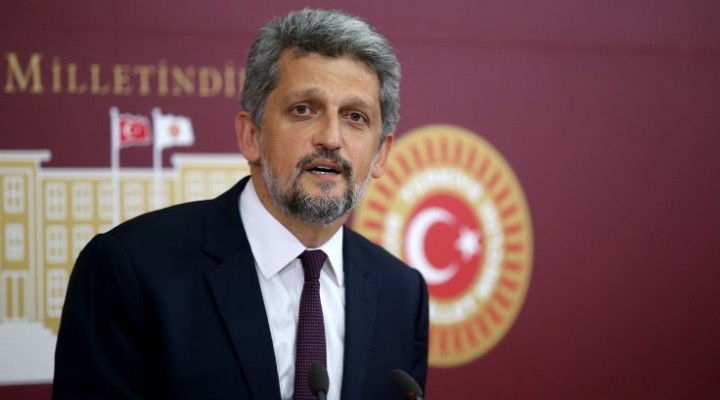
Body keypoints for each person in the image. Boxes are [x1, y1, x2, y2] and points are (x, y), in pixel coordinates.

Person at [52, 8, 429, 400]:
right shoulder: (132, 269)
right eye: (303, 109)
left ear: (381, 154)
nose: (331, 138)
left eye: (355, 117)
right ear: (251, 136)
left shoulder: (402, 295)